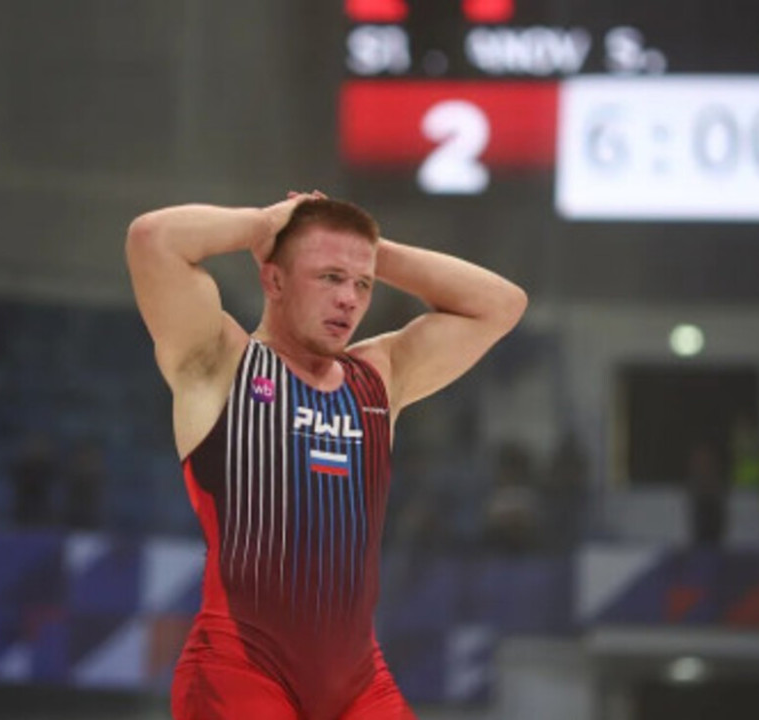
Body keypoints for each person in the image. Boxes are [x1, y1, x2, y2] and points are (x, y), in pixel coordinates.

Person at [125, 192, 526, 720]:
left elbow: (501, 304)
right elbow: (154, 239)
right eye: (330, 278)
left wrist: (371, 252)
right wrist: (265, 225)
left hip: (358, 683)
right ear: (274, 281)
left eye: (363, 284)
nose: (349, 300)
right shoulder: (219, 362)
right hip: (241, 669)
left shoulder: (379, 377)